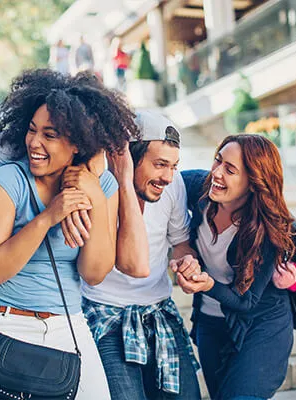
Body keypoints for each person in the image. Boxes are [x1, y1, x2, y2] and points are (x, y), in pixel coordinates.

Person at [0, 69, 137, 399]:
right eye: (32, 130)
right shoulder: (8, 182)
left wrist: (92, 194)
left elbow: (93, 273)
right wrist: (48, 217)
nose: (34, 142)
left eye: (49, 135)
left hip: (69, 325)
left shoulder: (102, 187)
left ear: (77, 144)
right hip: (7, 325)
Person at [81, 110, 201, 399]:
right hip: (105, 315)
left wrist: (188, 261)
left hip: (158, 311)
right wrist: (124, 180)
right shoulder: (98, 186)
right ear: (129, 157)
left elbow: (181, 242)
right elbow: (130, 264)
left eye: (174, 166)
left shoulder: (173, 188)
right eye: (160, 165)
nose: (169, 177)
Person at [177, 134, 296, 399]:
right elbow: (158, 182)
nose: (217, 173)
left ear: (253, 182)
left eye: (230, 170)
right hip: (211, 321)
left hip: (261, 325)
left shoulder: (266, 229)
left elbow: (247, 301)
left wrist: (207, 283)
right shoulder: (199, 188)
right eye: (218, 161)